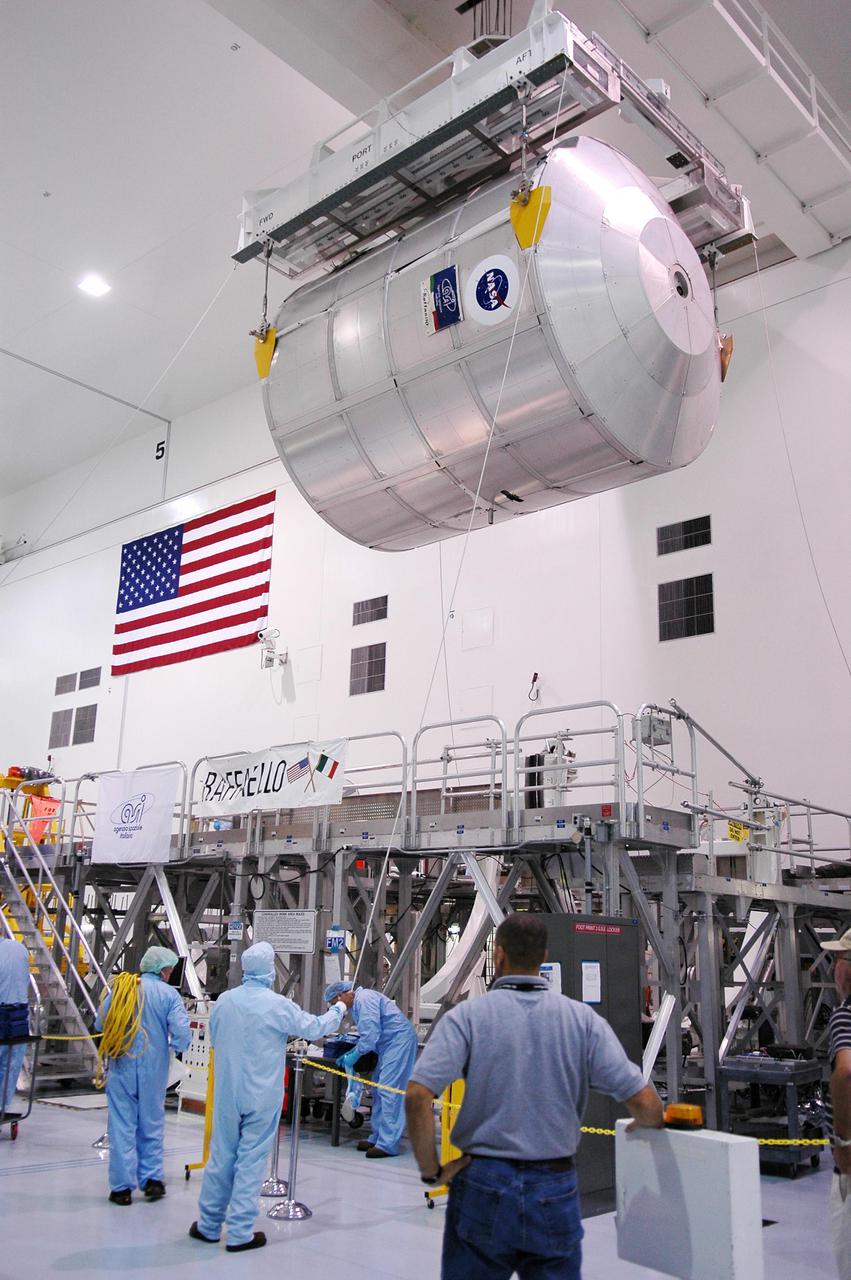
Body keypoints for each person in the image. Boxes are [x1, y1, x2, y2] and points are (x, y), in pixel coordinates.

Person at [405, 912, 663, 1280]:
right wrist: (644, 1124)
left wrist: (432, 1172)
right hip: (554, 1186)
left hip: (482, 1183)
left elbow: (417, 1096)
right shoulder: (583, 1021)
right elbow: (647, 1103)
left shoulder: (467, 1018)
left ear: (498, 955)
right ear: (543, 957)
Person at [190, 941, 348, 1252]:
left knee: (221, 1156)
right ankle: (239, 1233)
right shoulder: (277, 1005)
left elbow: (216, 1040)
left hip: (226, 1092)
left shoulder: (224, 1002)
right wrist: (340, 1008)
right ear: (270, 971)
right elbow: (315, 1028)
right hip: (261, 1094)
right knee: (251, 1162)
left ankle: (208, 1225)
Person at [96, 945, 191, 1205]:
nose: (171, 974)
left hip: (121, 1065)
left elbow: (100, 1022)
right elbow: (182, 1033)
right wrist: (172, 1049)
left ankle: (121, 1189)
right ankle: (152, 1181)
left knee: (122, 1127)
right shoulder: (168, 995)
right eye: (170, 969)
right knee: (151, 1124)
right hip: (153, 1069)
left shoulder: (122, 988)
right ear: (163, 970)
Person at [324, 978, 418, 1158]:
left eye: (335, 1003)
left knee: (389, 1090)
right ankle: (377, 1136)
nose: (338, 1008)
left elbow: (370, 1035)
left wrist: (355, 1054)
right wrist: (353, 1051)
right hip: (387, 1045)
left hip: (399, 1042)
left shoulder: (364, 999)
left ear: (340, 995)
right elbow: (370, 1034)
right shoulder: (358, 1004)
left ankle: (388, 1143)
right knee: (377, 1088)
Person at [822, 925, 851, 1280]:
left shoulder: (845, 1015)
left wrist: (844, 1144)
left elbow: (845, 1072)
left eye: (838, 959)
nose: (833, 968)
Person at [0, 936, 31, 1112]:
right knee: (10, 1066)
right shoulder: (19, 949)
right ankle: (2, 1107)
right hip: (19, 1020)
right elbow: (25, 981)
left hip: (3, 1015)